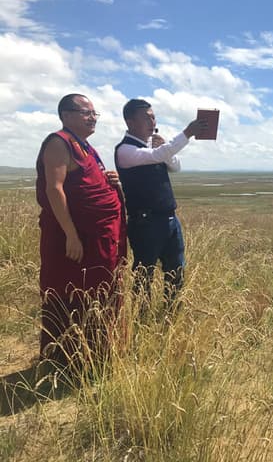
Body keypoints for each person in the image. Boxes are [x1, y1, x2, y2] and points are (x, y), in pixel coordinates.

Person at [36, 94, 127, 371]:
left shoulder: (86, 147)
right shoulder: (59, 142)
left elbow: (87, 181)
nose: (92, 118)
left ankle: (96, 356)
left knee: (99, 294)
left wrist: (110, 180)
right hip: (74, 239)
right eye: (86, 112)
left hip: (97, 238)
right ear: (66, 115)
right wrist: (71, 235)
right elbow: (54, 189)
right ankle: (66, 361)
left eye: (94, 113)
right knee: (71, 295)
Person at [114, 99, 204, 315]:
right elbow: (157, 156)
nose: (152, 122)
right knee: (144, 274)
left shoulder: (153, 149)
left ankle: (171, 315)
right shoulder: (126, 150)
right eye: (146, 118)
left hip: (169, 220)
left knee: (176, 271)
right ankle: (141, 319)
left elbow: (176, 167)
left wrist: (165, 149)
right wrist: (187, 133)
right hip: (145, 223)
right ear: (130, 121)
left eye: (153, 117)